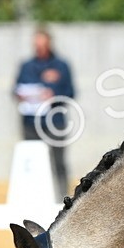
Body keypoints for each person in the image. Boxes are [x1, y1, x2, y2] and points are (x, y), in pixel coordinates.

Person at [14, 28, 75, 196]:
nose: (38, 47)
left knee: (58, 162)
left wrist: (53, 95)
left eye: (41, 43)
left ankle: (62, 199)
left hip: (54, 122)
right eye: (36, 43)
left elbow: (71, 93)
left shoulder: (62, 66)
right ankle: (33, 197)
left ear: (49, 43)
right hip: (30, 122)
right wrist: (21, 94)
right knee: (32, 163)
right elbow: (15, 89)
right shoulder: (26, 66)